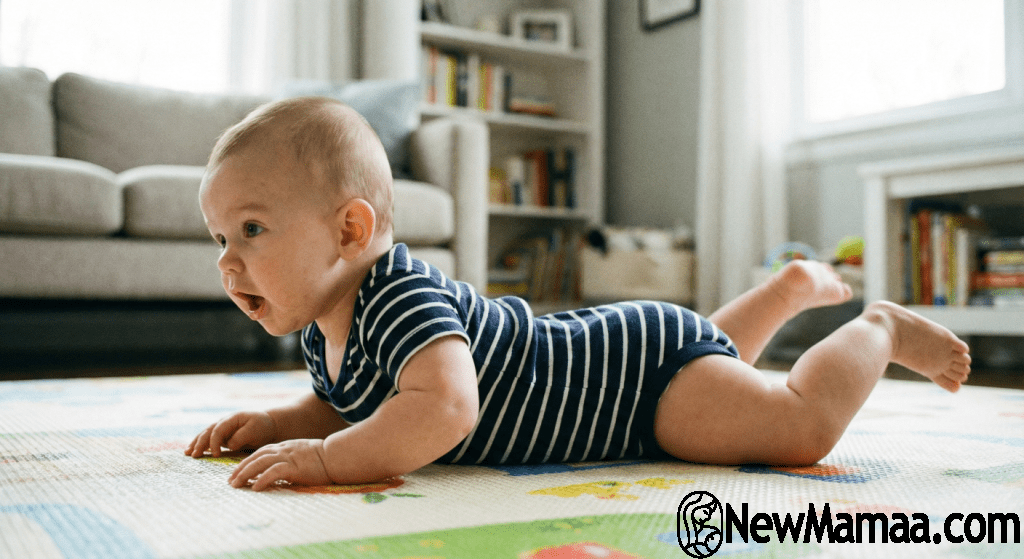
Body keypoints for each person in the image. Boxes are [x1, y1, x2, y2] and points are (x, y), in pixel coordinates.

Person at [185, 97, 972, 491]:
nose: (229, 262)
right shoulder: (329, 322)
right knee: (717, 362)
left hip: (633, 386)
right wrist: (286, 423)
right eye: (221, 239)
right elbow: (364, 403)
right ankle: (785, 289)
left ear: (351, 230)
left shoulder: (400, 297)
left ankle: (882, 329)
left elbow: (445, 407)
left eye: (251, 230)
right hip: (627, 352)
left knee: (796, 429)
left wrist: (326, 460)